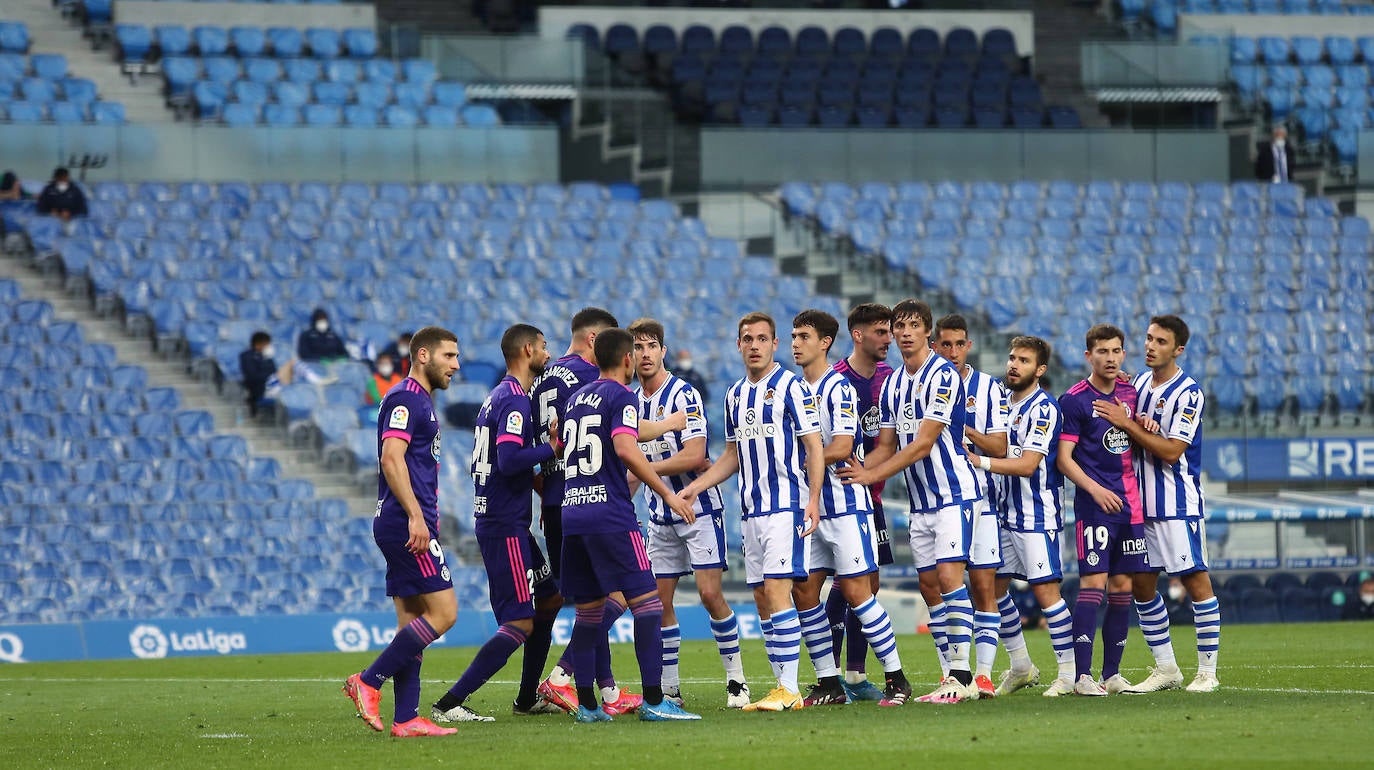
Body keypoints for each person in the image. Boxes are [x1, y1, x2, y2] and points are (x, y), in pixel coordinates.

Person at [533, 307, 684, 715]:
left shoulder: (578, 397)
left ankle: (587, 706)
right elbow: (623, 445)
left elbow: (559, 442)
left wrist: (667, 424)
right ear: (626, 359)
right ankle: (656, 701)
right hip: (610, 513)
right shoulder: (621, 395)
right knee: (648, 604)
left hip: (571, 512)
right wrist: (668, 495)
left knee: (589, 611)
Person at [677, 311, 825, 712]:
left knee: (779, 590)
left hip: (787, 507)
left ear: (774, 345)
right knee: (762, 596)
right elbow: (731, 455)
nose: (755, 345)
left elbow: (814, 446)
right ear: (738, 345)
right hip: (751, 512)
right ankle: (781, 686)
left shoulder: (792, 387)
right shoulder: (733, 395)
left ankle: (790, 689)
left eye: (762, 338)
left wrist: (813, 499)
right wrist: (695, 486)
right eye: (748, 339)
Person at [839, 299, 981, 704]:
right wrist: (856, 470)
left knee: (951, 580)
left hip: (953, 493)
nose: (903, 331)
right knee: (929, 585)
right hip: (921, 503)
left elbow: (923, 442)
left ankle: (963, 676)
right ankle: (947, 672)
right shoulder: (893, 383)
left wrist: (871, 475)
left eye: (912, 325)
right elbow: (886, 444)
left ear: (927, 333)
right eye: (898, 325)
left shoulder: (943, 375)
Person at [432, 324, 565, 723]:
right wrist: (552, 447)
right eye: (543, 347)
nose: (547, 353)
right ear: (527, 350)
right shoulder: (513, 401)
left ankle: (526, 698)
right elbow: (508, 460)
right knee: (520, 621)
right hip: (503, 523)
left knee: (551, 598)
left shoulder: (499, 397)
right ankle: (448, 703)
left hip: (511, 522)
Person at [342, 326, 462, 738]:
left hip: (403, 522)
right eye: (449, 356)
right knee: (444, 613)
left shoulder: (418, 401)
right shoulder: (406, 398)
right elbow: (391, 457)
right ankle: (368, 681)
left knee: (412, 620)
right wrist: (416, 515)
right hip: (406, 523)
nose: (456, 365)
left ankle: (407, 717)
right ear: (424, 355)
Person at [789, 309, 912, 707]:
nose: (795, 343)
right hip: (811, 510)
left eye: (804, 336)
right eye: (793, 336)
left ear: (825, 342)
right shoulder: (792, 389)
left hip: (845, 506)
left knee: (859, 593)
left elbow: (843, 445)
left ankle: (896, 678)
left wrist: (799, 462)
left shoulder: (838, 387)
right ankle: (829, 682)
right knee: (804, 590)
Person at [627, 318, 751, 709]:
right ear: (629, 355)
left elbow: (696, 455)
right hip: (659, 516)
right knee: (658, 603)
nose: (645, 354)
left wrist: (640, 470)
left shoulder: (685, 394)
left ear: (663, 351)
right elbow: (633, 470)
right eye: (638, 348)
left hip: (698, 509)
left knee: (710, 594)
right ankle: (670, 689)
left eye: (651, 346)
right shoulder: (630, 401)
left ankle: (736, 682)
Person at [1100, 315, 1218, 694]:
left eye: (1161, 341)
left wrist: (1130, 424)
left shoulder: (1188, 392)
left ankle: (1207, 672)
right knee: (1142, 586)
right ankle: (1167, 668)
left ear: (1178, 349)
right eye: (1149, 339)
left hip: (1176, 505)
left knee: (1196, 581)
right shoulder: (1136, 385)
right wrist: (1136, 424)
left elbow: (1171, 451)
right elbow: (1131, 434)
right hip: (1139, 506)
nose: (1150, 346)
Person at [1055, 323, 1159, 697]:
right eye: (1103, 351)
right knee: (1093, 585)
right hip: (1094, 507)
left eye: (1116, 351)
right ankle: (1082, 677)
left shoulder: (1130, 393)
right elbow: (1064, 460)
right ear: (1089, 356)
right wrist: (1096, 490)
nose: (1110, 358)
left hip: (1130, 507)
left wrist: (1139, 421)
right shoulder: (1075, 400)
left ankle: (1110, 674)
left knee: (1122, 587)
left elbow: (1140, 430)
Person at [972, 336, 1077, 697]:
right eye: (1012, 358)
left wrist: (979, 459)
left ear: (1040, 369)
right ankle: (1020, 666)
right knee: (991, 591)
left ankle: (1068, 674)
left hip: (1037, 516)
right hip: (1002, 514)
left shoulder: (1045, 408)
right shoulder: (1000, 403)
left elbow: (1029, 465)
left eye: (1024, 360)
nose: (1014, 365)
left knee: (1047, 594)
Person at [933, 314, 1009, 699]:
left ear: (969, 346)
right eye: (944, 344)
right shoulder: (926, 383)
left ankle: (982, 675)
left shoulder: (989, 389)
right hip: (942, 500)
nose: (952, 352)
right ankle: (952, 671)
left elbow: (1000, 447)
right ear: (934, 346)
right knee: (938, 582)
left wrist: (964, 430)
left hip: (982, 498)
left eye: (958, 344)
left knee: (983, 585)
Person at [827, 302, 895, 700]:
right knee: (848, 584)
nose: (888, 340)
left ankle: (855, 674)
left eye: (889, 332)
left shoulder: (890, 378)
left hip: (874, 495)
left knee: (869, 583)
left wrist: (871, 471)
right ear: (858, 334)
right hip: (843, 496)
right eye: (881, 332)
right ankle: (832, 674)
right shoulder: (837, 380)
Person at [239, 331, 281, 418]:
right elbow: (252, 375)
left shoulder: (267, 356)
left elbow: (274, 371)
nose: (269, 347)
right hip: (255, 385)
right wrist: (268, 375)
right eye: (267, 344)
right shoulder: (246, 356)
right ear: (258, 344)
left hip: (270, 385)